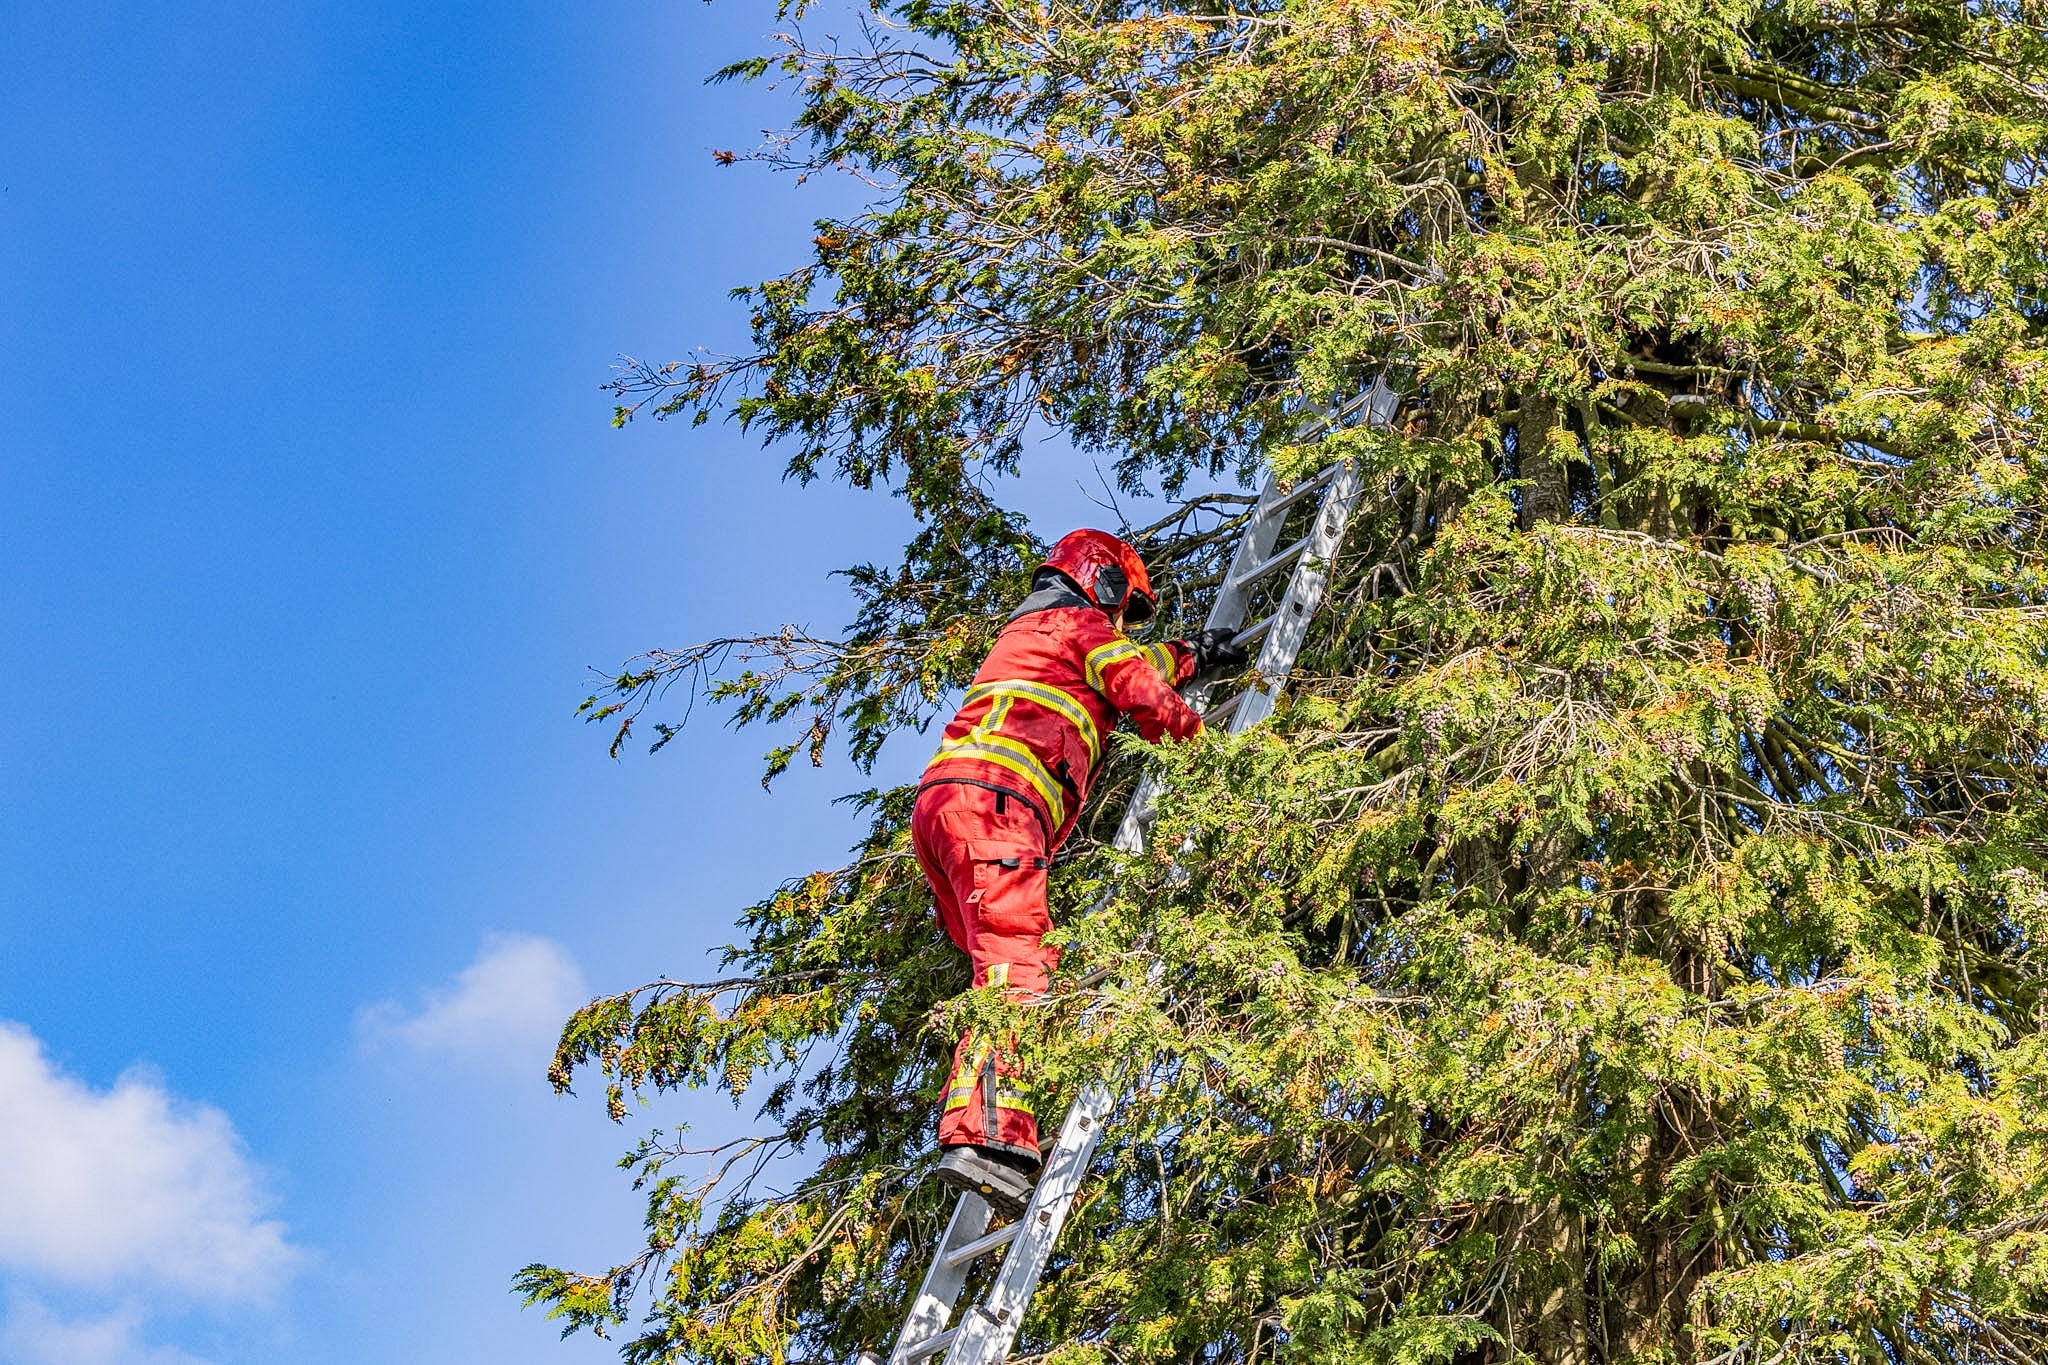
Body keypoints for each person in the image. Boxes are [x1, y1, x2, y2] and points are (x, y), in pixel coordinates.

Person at [913, 528, 1248, 1214]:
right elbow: (1139, 691)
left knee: (1002, 966)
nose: (1121, 623)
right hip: (998, 806)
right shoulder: (1082, 623)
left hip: (950, 807)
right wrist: (1215, 761)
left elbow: (1126, 662)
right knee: (1017, 968)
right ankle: (984, 1135)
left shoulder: (1044, 630)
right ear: (1103, 583)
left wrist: (1192, 656)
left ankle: (986, 1125)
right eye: (1124, 607)